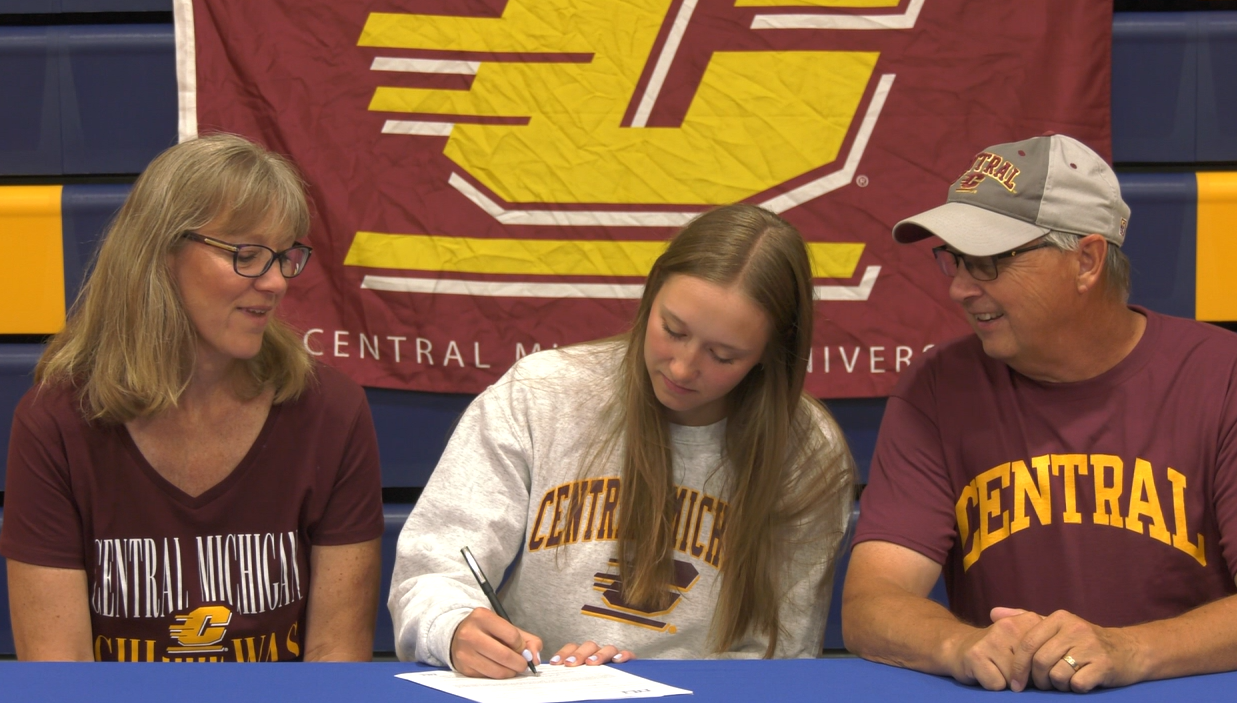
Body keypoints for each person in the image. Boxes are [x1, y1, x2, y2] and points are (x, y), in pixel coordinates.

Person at [389, 204, 854, 678]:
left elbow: (784, 656)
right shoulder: (541, 395)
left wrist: (650, 680)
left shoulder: (806, 452)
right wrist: (453, 627)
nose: (682, 368)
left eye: (723, 355)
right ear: (650, 295)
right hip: (532, 688)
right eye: (672, 330)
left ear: (770, 352)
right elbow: (431, 570)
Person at [842, 133, 1237, 692]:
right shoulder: (938, 389)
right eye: (953, 260)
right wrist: (960, 644)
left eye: (986, 262)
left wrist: (1129, 650)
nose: (958, 288)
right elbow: (871, 604)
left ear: (1086, 260)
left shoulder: (1222, 378)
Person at [0, 134, 384, 662]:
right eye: (247, 255)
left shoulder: (330, 412)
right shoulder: (57, 422)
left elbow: (336, 663)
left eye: (284, 256)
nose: (276, 282)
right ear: (159, 255)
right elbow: (59, 678)